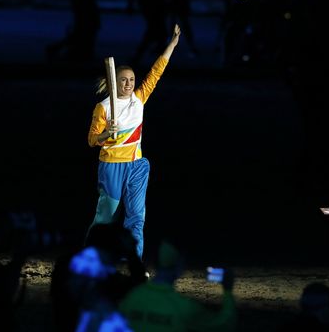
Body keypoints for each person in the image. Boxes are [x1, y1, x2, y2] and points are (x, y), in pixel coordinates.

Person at [86, 24, 181, 260]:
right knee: (106, 218)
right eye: (124, 80)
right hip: (111, 166)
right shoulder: (104, 107)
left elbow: (156, 73)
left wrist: (172, 45)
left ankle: (135, 264)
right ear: (115, 82)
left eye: (131, 80)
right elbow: (91, 140)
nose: (129, 84)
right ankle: (88, 259)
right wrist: (106, 135)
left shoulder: (139, 99)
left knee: (137, 217)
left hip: (136, 165)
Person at [119, 238, 237, 332]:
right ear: (180, 266)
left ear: (154, 264)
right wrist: (227, 291)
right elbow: (223, 325)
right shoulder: (184, 307)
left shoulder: (130, 298)